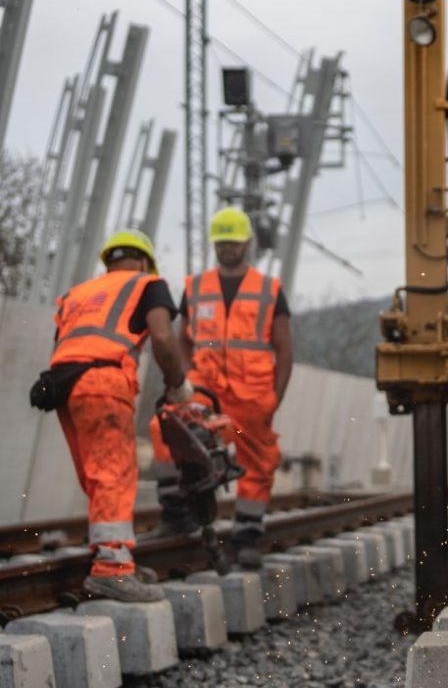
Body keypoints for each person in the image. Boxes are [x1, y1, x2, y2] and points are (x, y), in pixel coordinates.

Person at [43, 231, 192, 602]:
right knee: (114, 472)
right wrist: (178, 385)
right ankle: (112, 570)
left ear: (108, 260)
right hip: (104, 381)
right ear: (144, 261)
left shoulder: (78, 294)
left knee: (96, 476)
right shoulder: (148, 283)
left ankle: (113, 554)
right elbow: (161, 337)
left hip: (62, 385)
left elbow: (67, 344)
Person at [152, 207, 293, 566]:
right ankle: (176, 512)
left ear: (246, 242)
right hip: (206, 392)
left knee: (257, 461)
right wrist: (184, 380)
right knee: (165, 426)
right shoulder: (196, 287)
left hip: (251, 398)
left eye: (232, 241)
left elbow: (285, 348)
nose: (226, 247)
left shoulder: (269, 290)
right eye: (221, 241)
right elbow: (184, 341)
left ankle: (246, 536)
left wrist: (273, 399)